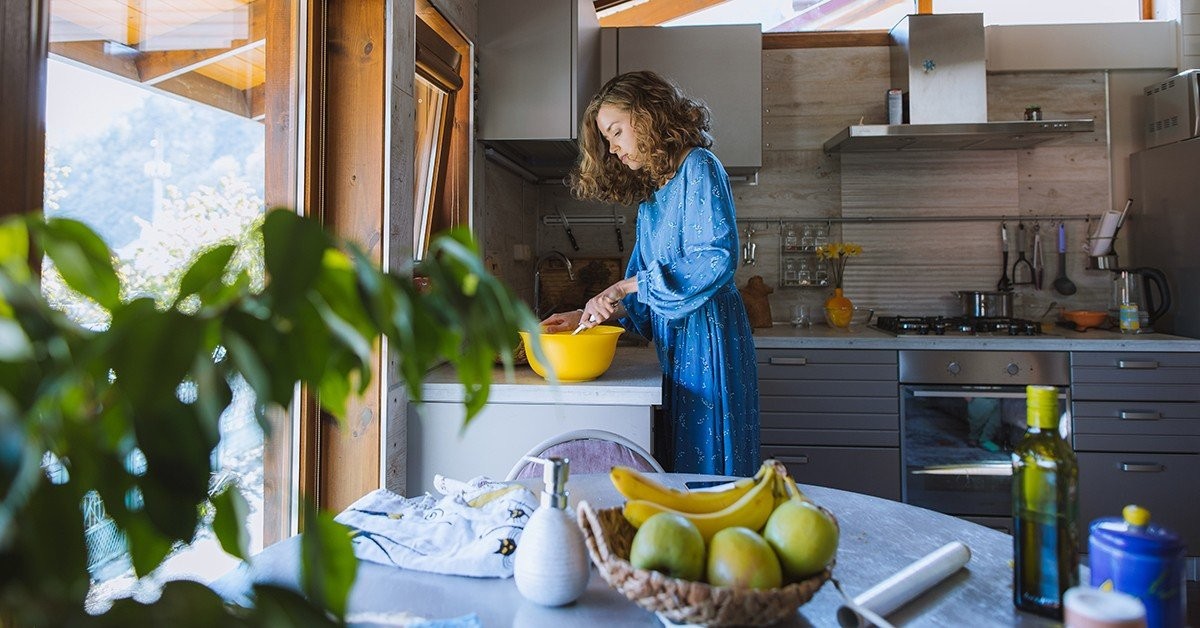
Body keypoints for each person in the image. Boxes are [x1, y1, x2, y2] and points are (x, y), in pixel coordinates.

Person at [539, 71, 760, 477]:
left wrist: (622, 285)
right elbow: (643, 295)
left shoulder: (700, 166)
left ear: (648, 116)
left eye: (617, 132)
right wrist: (586, 315)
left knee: (712, 459)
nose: (614, 148)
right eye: (607, 140)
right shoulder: (652, 200)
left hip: (710, 338)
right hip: (678, 345)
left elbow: (716, 259)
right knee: (684, 459)